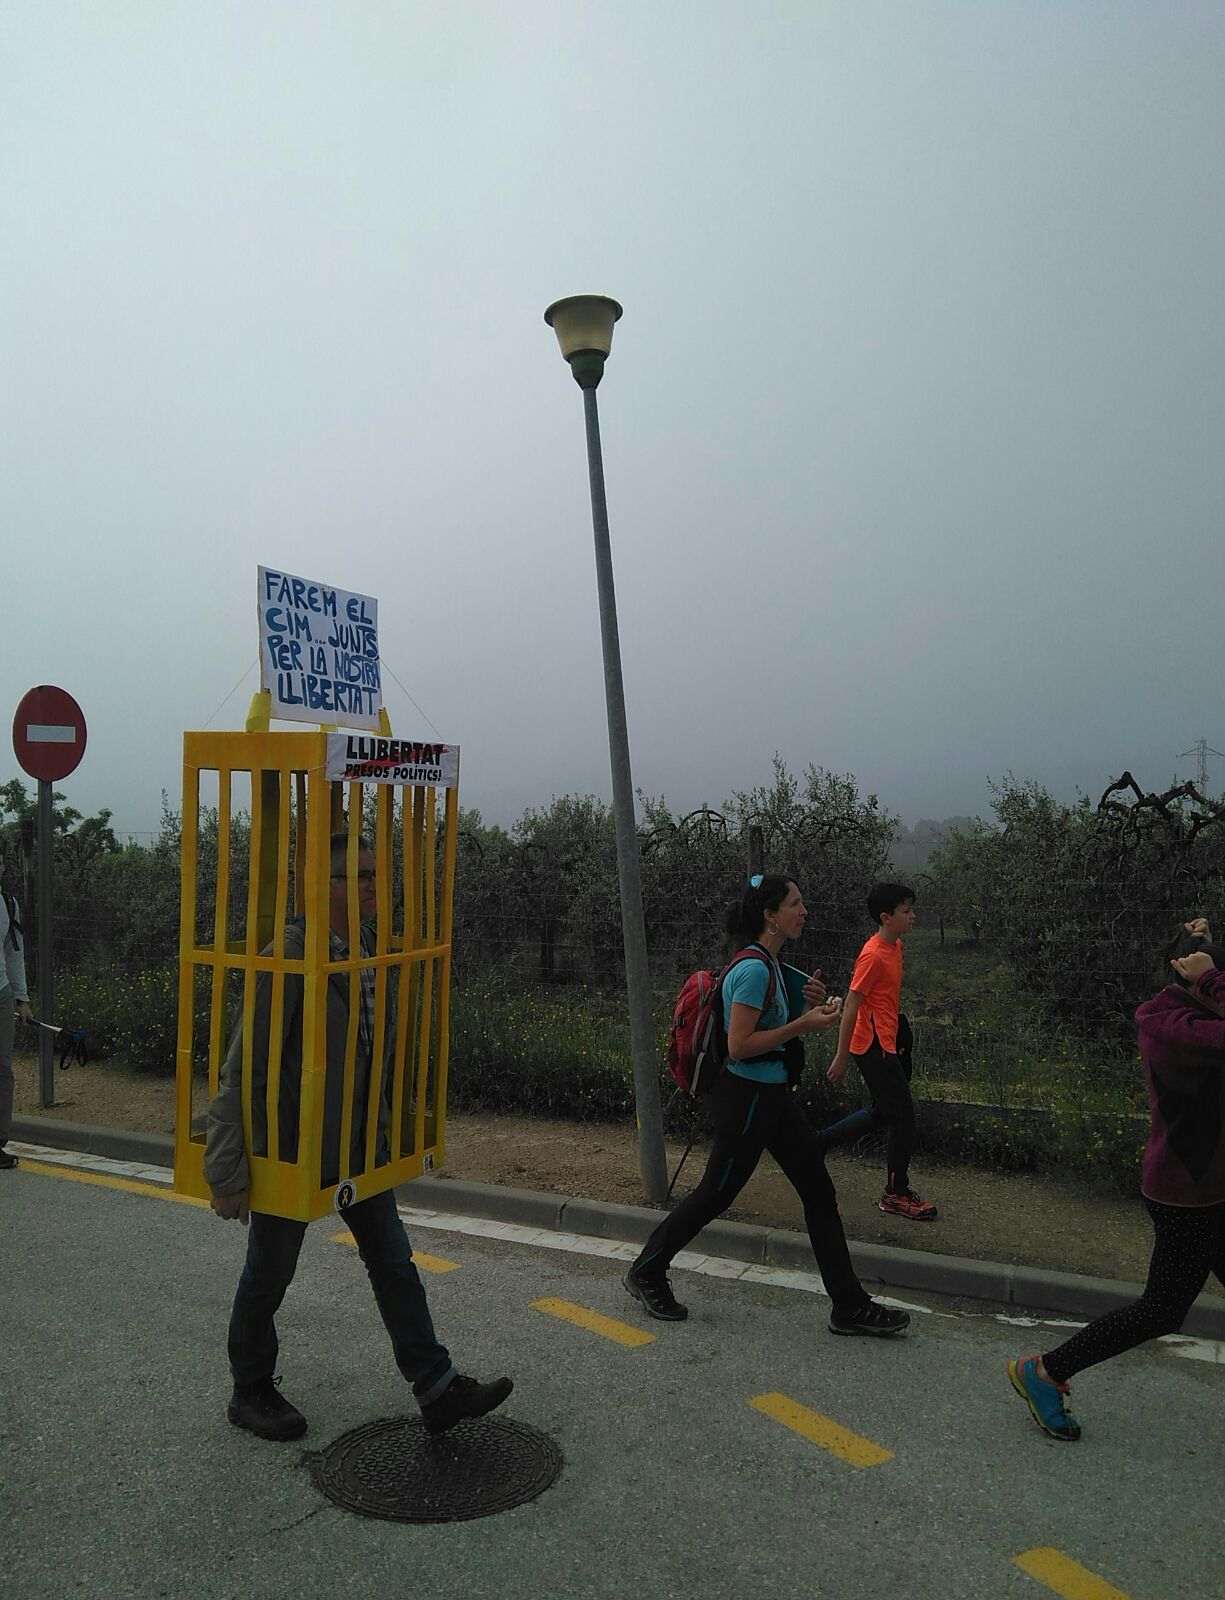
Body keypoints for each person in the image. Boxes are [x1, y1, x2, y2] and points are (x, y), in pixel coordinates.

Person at [206, 832, 512, 1441]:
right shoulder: (290, 955)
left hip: (356, 1141)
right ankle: (250, 1389)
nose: (377, 886)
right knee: (270, 1272)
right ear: (327, 886)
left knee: (394, 1261)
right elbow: (242, 1064)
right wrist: (227, 1169)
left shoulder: (369, 948)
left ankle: (436, 1386)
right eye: (363, 875)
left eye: (377, 874)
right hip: (295, 1146)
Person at [622, 874, 910, 1337]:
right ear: (770, 915)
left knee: (818, 1192)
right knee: (717, 1193)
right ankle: (647, 1270)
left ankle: (849, 1305)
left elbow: (769, 1018)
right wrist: (806, 1025)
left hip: (773, 1098)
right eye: (796, 903)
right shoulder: (755, 968)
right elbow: (740, 1045)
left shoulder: (771, 965)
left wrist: (806, 1002)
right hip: (748, 1099)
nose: (804, 911)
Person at [1008, 920, 1225, 1442]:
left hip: (1214, 1187)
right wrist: (1213, 978)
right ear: (1193, 974)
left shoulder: (1200, 1007)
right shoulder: (1171, 1023)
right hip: (1185, 1193)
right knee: (1162, 1309)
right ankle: (1045, 1371)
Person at [819, 881, 937, 1221]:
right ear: (886, 917)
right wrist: (841, 1055)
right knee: (903, 1118)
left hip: (888, 1040)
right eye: (906, 911)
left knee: (885, 1112)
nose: (913, 916)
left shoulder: (895, 946)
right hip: (871, 1045)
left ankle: (819, 1143)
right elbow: (852, 1004)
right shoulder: (873, 954)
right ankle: (896, 1193)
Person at [0, 868, 33, 1172]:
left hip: (1, 994)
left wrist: (21, 997)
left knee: (2, 1070)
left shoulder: (8, 903)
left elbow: (14, 952)